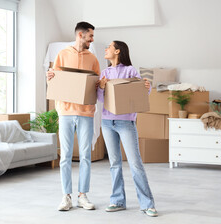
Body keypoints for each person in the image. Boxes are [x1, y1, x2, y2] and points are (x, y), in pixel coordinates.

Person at [97, 41, 158, 217]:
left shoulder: (130, 71)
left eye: (109, 47)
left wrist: (148, 87)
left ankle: (147, 203)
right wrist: (101, 88)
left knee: (135, 164)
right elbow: (102, 100)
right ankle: (117, 201)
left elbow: (139, 94)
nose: (106, 49)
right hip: (108, 122)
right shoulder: (105, 73)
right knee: (114, 163)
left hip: (126, 123)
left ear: (117, 51)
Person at [46, 22, 100, 211]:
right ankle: (66, 196)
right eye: (90, 36)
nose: (92, 39)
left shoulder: (92, 58)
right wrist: (50, 77)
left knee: (85, 156)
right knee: (65, 156)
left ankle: (82, 196)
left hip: (86, 112)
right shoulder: (62, 54)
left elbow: (96, 84)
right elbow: (55, 81)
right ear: (80, 35)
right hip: (66, 112)